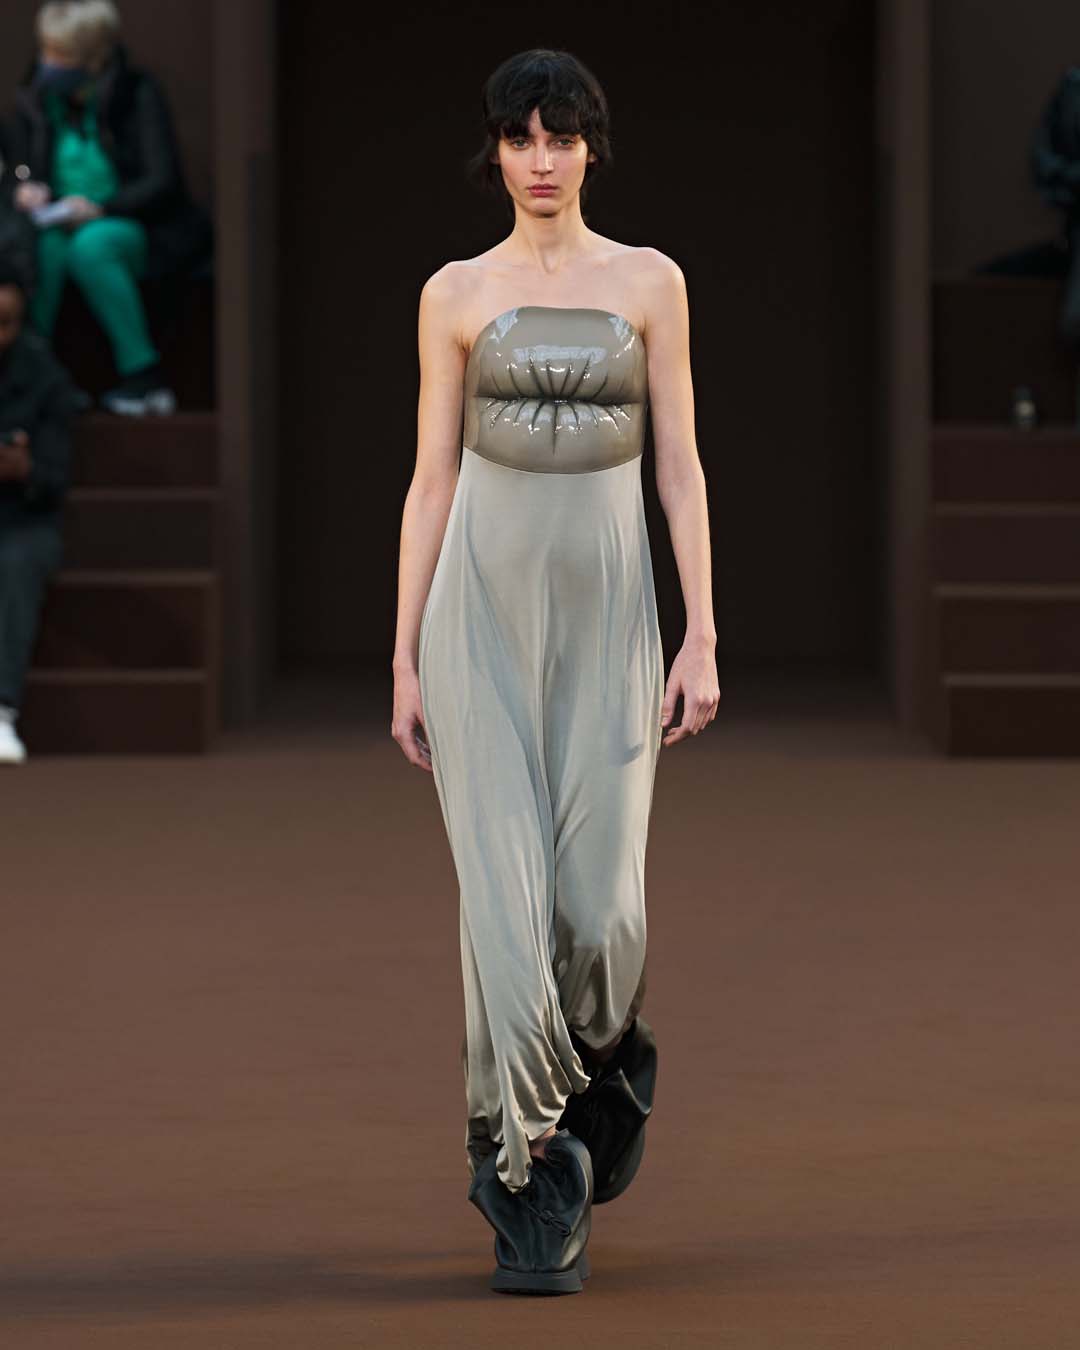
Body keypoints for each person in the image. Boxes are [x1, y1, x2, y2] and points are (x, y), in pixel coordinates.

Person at [391, 48, 720, 1294]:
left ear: (591, 149)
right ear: (495, 152)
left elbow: (679, 465)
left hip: (609, 618)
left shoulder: (650, 282)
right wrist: (405, 655)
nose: (542, 160)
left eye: (562, 138)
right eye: (521, 138)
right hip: (477, 619)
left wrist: (700, 632)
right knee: (502, 904)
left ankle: (604, 1056)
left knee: (600, 913)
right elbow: (430, 480)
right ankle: (527, 1171)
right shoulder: (455, 294)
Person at [0, 0, 212, 416]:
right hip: (58, 220)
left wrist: (101, 207)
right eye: (46, 50)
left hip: (128, 222)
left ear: (92, 57)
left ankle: (144, 374)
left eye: (60, 54)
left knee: (91, 247)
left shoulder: (136, 94)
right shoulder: (37, 98)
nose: (48, 63)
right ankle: (44, 379)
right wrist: (27, 188)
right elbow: (20, 165)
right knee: (42, 249)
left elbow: (161, 180)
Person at [0, 258, 80, 765]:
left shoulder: (45, 378)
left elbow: (56, 477)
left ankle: (0, 710)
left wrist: (24, 470)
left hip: (22, 519)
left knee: (17, 562)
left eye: (4, 322)